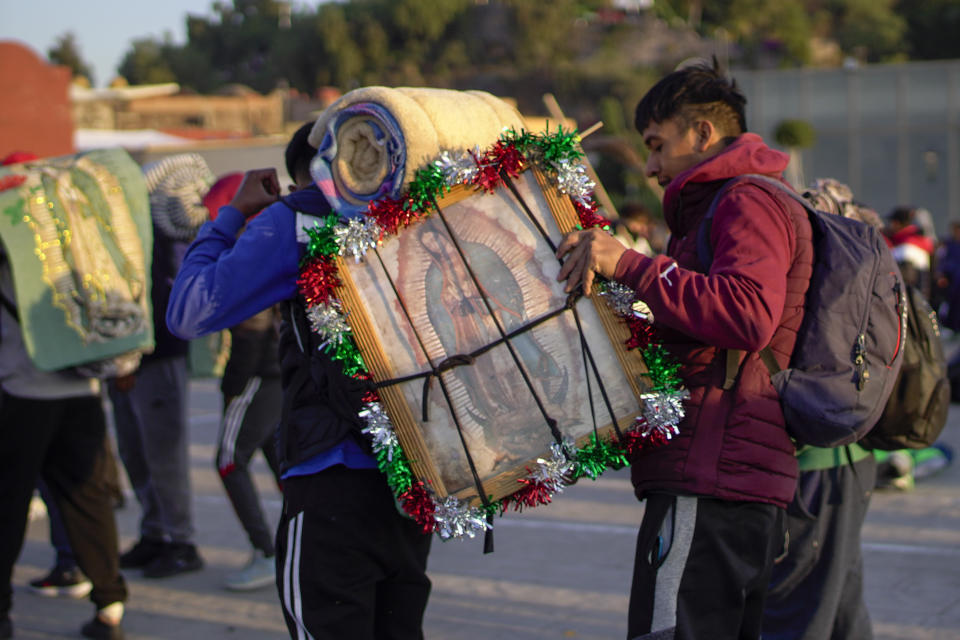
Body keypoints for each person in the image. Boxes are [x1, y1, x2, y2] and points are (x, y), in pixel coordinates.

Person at [555, 59, 812, 640]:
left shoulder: (746, 200)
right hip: (732, 471)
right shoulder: (728, 203)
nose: (649, 165)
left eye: (656, 144)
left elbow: (747, 313)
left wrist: (628, 263)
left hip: (713, 471)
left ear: (702, 133)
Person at [165, 122, 432, 638]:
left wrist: (233, 215)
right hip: (412, 477)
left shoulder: (299, 220)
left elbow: (188, 311)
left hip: (332, 477)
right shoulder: (416, 216)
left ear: (305, 175)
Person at [0, 178, 128, 638]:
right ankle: (110, 607)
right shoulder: (76, 241)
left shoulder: (9, 243)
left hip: (22, 393)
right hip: (81, 391)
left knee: (8, 505)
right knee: (87, 501)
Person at [761, 179, 882, 640]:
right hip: (854, 454)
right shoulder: (860, 255)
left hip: (813, 460)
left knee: (799, 608)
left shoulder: (813, 263)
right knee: (840, 599)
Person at [109, 155, 212, 578]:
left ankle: (181, 541)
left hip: (157, 355)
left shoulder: (162, 229)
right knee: (136, 452)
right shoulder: (125, 231)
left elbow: (156, 296)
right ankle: (155, 532)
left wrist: (133, 354)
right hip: (126, 358)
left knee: (163, 453)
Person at [201, 172, 284, 592]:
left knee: (229, 461)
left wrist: (231, 387)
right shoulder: (276, 236)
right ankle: (290, 550)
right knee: (282, 464)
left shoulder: (251, 247)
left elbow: (252, 328)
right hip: (278, 374)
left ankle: (268, 552)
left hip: (258, 375)